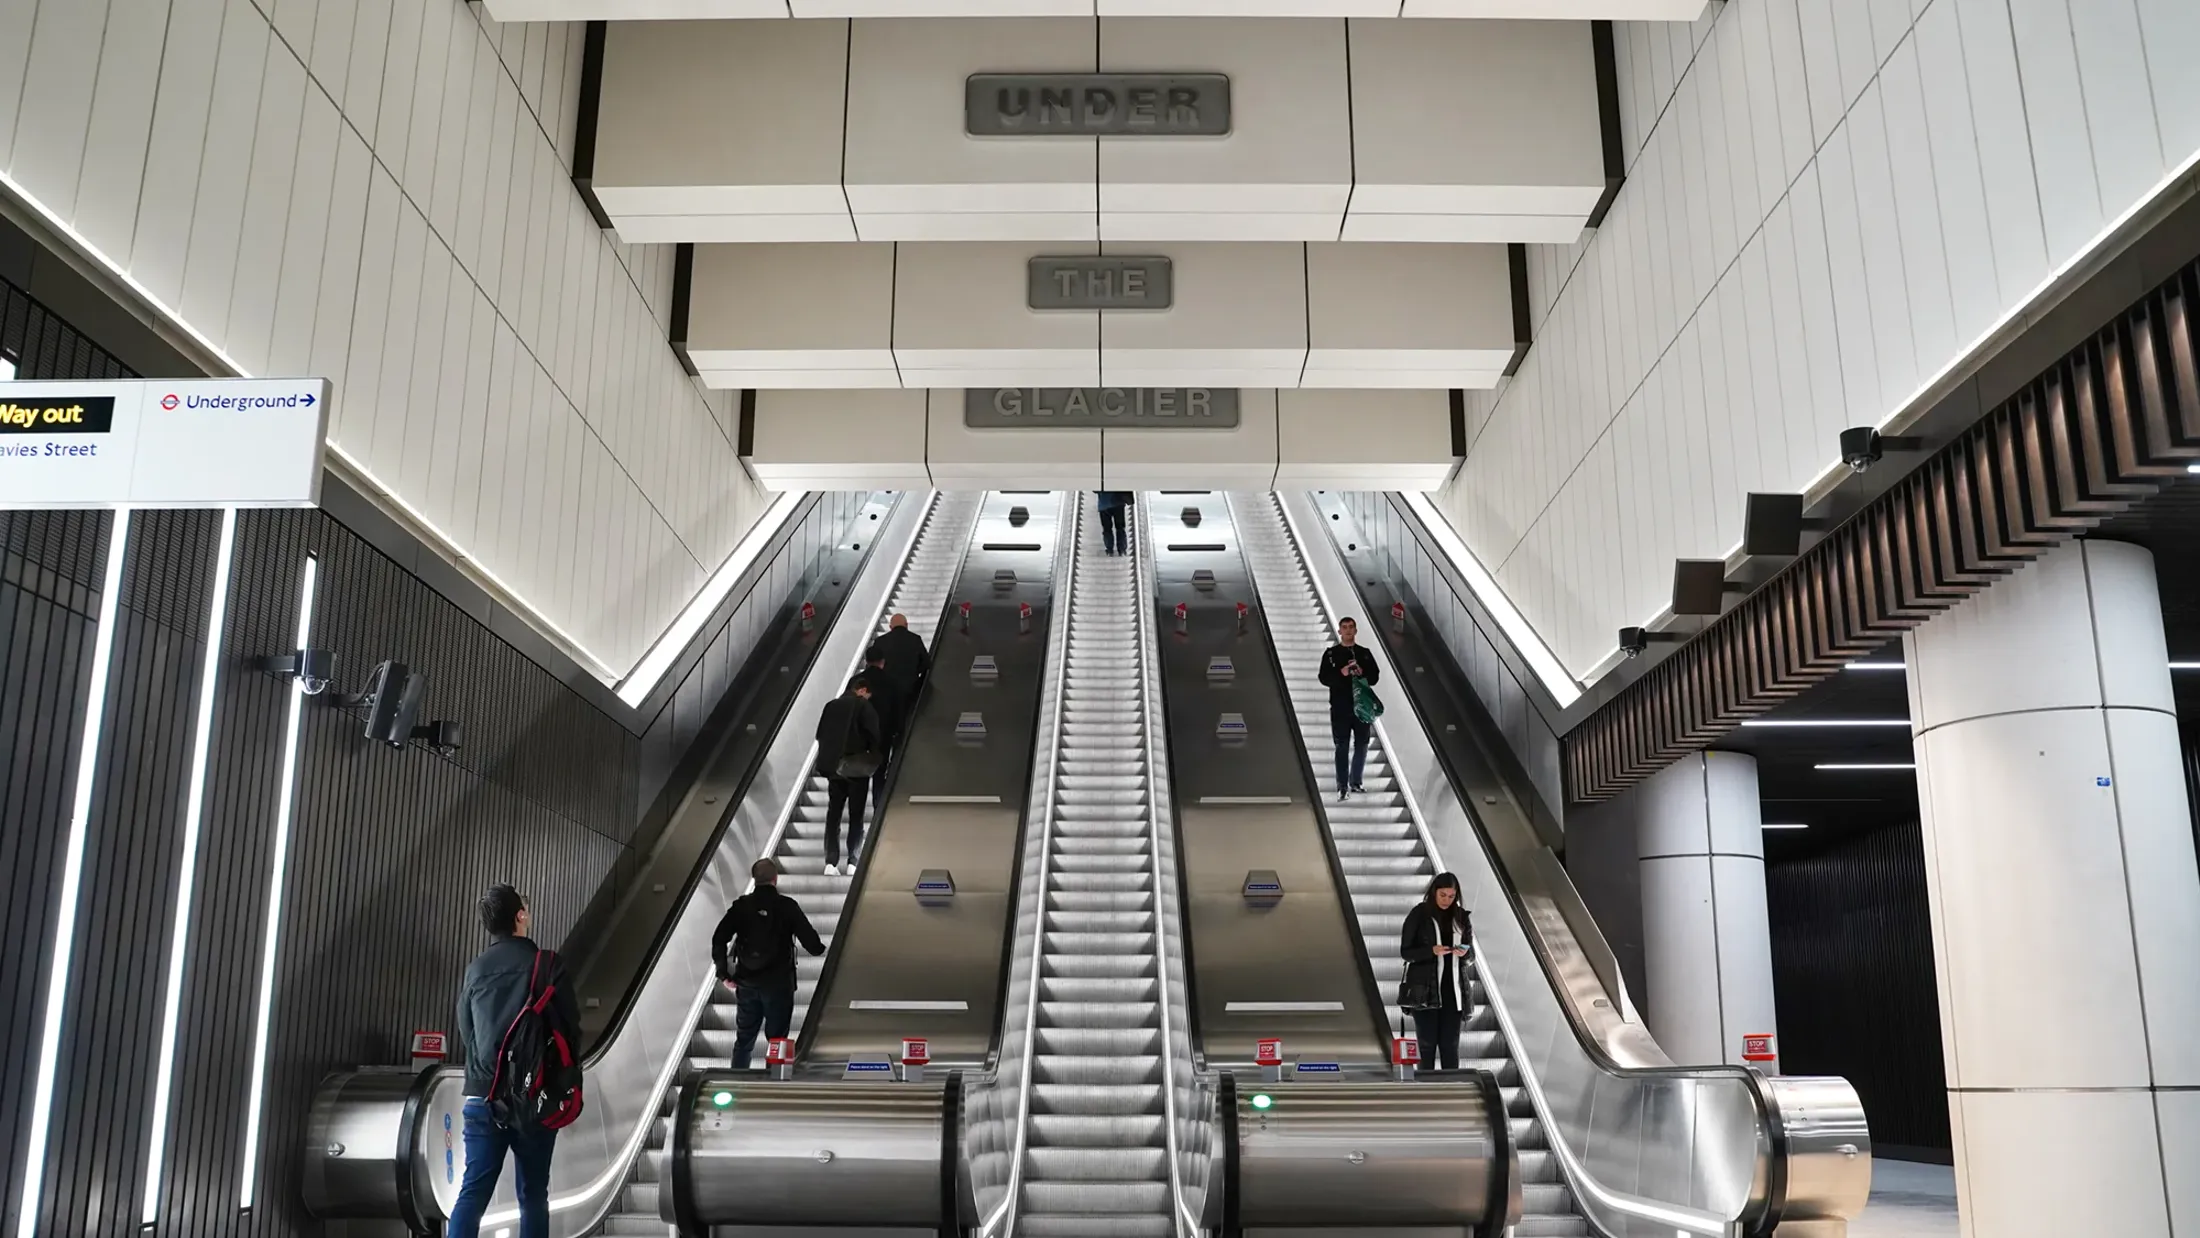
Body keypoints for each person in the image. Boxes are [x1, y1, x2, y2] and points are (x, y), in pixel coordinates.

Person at [448, 886, 577, 1238]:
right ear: (520, 916)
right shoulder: (547, 965)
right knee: (533, 1196)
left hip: (483, 1097)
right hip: (534, 1096)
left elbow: (468, 1031)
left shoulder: (475, 970)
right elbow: (570, 1028)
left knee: (472, 1194)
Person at [712, 857, 827, 1069]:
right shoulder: (787, 906)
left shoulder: (741, 906)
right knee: (778, 1041)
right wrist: (821, 949)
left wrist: (723, 974)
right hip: (779, 985)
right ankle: (774, 1085)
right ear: (776, 878)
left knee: (744, 1039)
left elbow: (719, 938)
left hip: (746, 983)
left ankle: (737, 1081)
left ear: (754, 879)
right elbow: (812, 943)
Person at [1400, 872, 1474, 1071]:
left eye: (1451, 896)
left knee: (1450, 1046)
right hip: (1425, 991)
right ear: (1434, 892)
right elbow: (1406, 952)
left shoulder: (1461, 917)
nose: (1447, 901)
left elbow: (1470, 955)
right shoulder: (1419, 914)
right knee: (1427, 1045)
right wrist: (1430, 951)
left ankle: (1453, 1091)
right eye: (1443, 895)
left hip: (1454, 992)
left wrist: (1463, 953)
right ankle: (1426, 1091)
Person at [814, 675, 883, 875]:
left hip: (834, 769)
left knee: (833, 814)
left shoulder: (831, 706)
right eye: (867, 694)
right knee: (856, 815)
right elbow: (874, 736)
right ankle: (853, 861)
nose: (867, 698)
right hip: (856, 769)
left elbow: (820, 734)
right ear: (862, 689)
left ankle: (830, 862)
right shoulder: (863, 707)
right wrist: (874, 757)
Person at [1317, 617, 1381, 800]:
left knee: (1362, 744)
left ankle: (1356, 782)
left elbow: (1375, 677)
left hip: (1362, 707)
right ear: (1339, 631)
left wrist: (1363, 673)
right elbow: (1324, 678)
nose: (1347, 630)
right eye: (1344, 627)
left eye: (1351, 627)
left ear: (1355, 630)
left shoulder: (1365, 653)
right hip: (1340, 707)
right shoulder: (1331, 654)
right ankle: (1342, 786)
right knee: (1341, 745)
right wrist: (1342, 672)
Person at [863, 644, 906, 812]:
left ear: (866, 661)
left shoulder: (856, 682)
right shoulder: (892, 682)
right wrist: (898, 732)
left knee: (859, 776)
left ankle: (858, 825)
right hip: (884, 734)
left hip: (861, 736)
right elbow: (898, 710)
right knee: (880, 772)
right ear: (883, 662)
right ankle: (878, 809)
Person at [868, 613, 929, 723]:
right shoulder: (915, 639)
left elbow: (874, 666)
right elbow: (926, 663)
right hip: (910, 688)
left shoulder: (880, 641)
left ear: (890, 627)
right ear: (906, 625)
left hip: (886, 690)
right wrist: (915, 672)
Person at [1095, 491, 1133, 556]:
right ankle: (1122, 550)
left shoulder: (1101, 481)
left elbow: (1095, 490)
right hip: (1118, 503)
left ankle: (1109, 550)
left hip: (1104, 504)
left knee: (1107, 529)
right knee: (1120, 527)